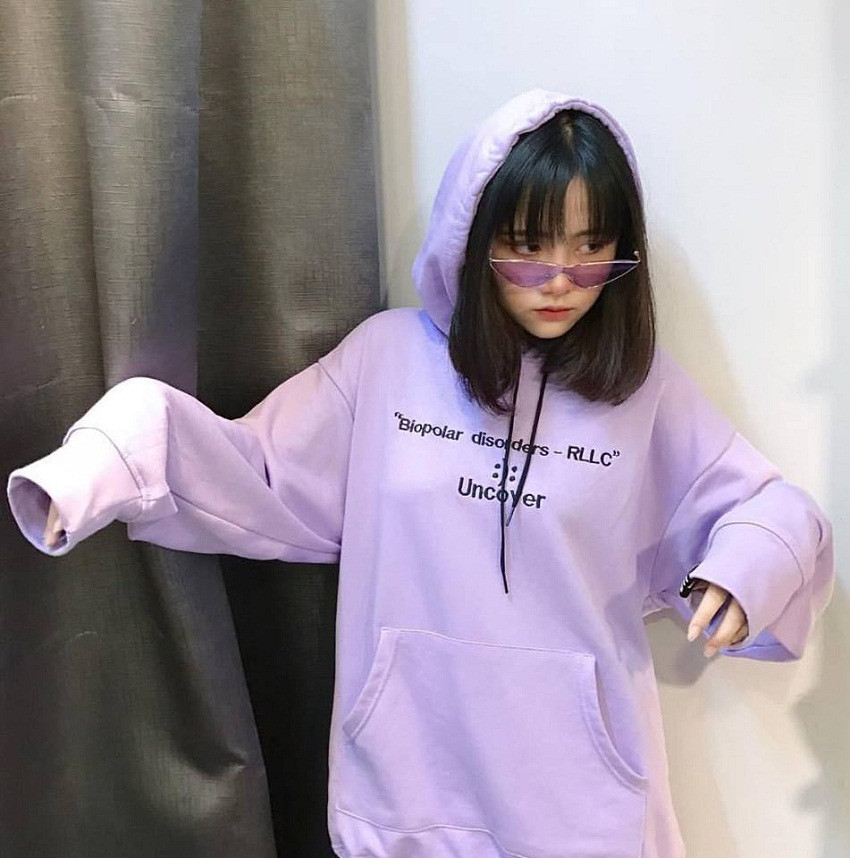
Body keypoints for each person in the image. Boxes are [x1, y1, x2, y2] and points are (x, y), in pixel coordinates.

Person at [7, 90, 834, 858]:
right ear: (475, 238)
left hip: (583, 805)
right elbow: (252, 466)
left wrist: (748, 565)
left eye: (592, 249)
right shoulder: (388, 361)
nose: (561, 279)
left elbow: (772, 508)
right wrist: (109, 454)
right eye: (528, 245)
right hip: (408, 788)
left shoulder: (640, 390)